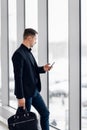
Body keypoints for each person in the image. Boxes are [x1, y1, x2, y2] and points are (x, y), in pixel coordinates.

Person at [12, 28, 52, 130]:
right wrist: (20, 97)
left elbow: (33, 70)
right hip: (25, 94)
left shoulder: (28, 52)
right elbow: (18, 77)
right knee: (25, 122)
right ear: (29, 38)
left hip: (34, 91)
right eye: (35, 39)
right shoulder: (18, 54)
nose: (36, 41)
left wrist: (43, 68)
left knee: (45, 113)